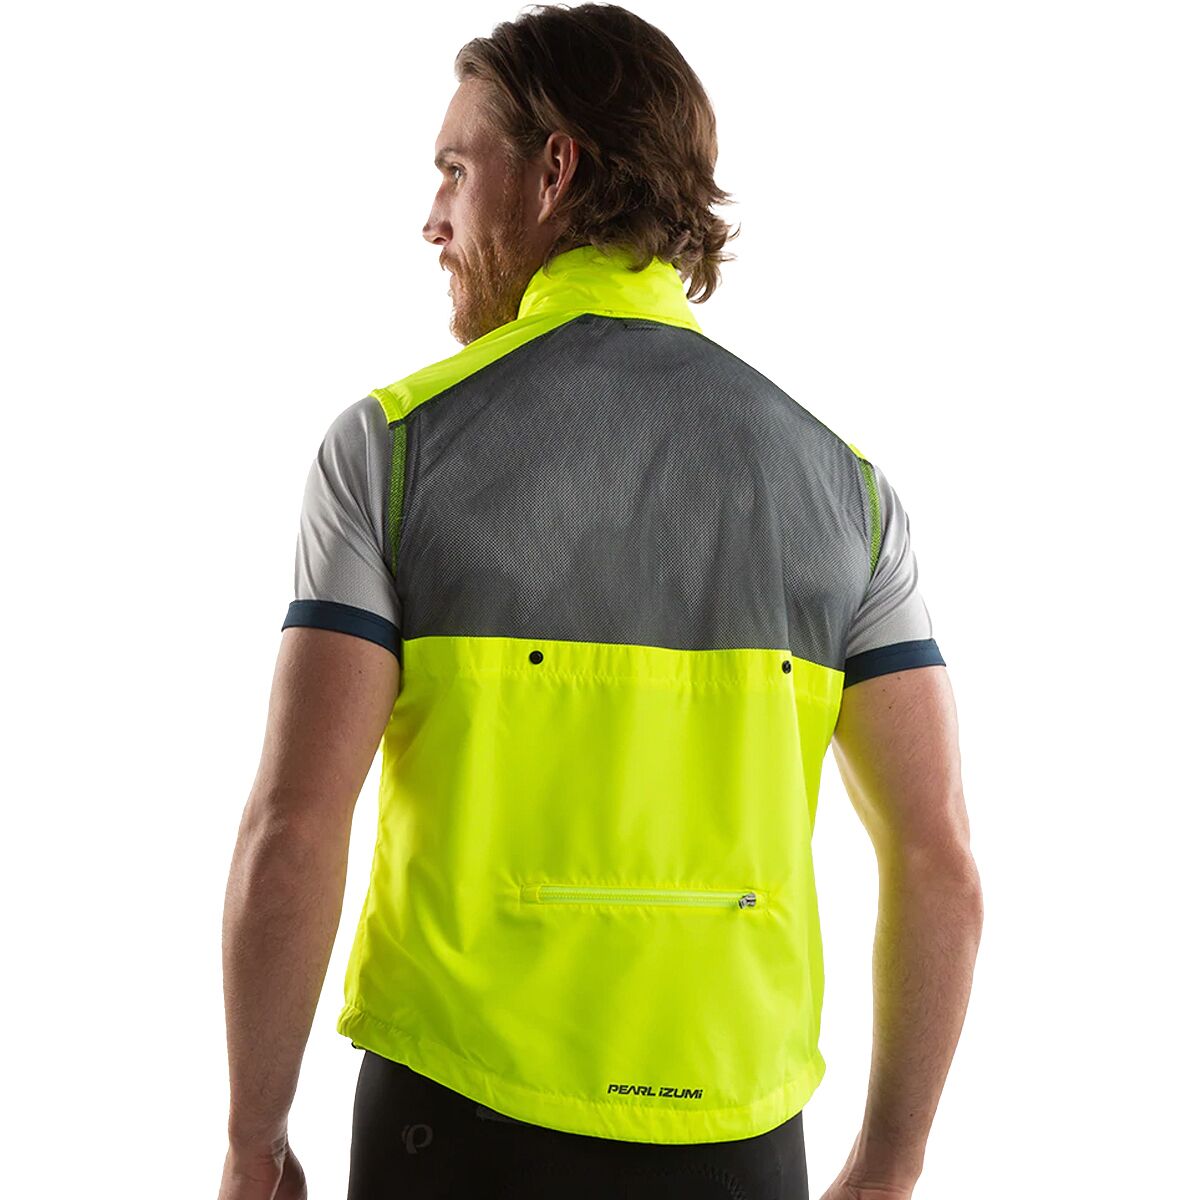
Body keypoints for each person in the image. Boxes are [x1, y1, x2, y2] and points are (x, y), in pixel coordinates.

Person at [218, 5, 983, 1199]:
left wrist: (253, 1139)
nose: (432, 219)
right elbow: (939, 862)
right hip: (737, 1135)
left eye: (455, 170)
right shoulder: (847, 490)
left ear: (554, 171)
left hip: (456, 1122)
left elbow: (294, 830)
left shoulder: (393, 451)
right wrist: (889, 1163)